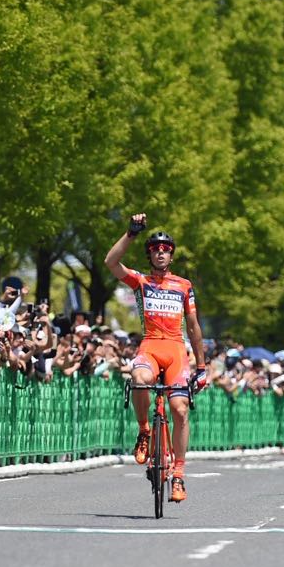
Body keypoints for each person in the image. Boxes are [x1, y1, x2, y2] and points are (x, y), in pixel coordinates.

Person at [104, 212, 206, 503]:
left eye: (166, 250)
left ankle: (179, 476)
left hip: (176, 349)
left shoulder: (184, 285)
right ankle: (145, 432)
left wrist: (202, 366)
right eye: (155, 250)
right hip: (150, 346)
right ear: (149, 255)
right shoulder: (141, 281)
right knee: (138, 378)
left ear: (171, 256)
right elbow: (111, 263)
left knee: (180, 409)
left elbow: (195, 326)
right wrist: (131, 234)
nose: (160, 253)